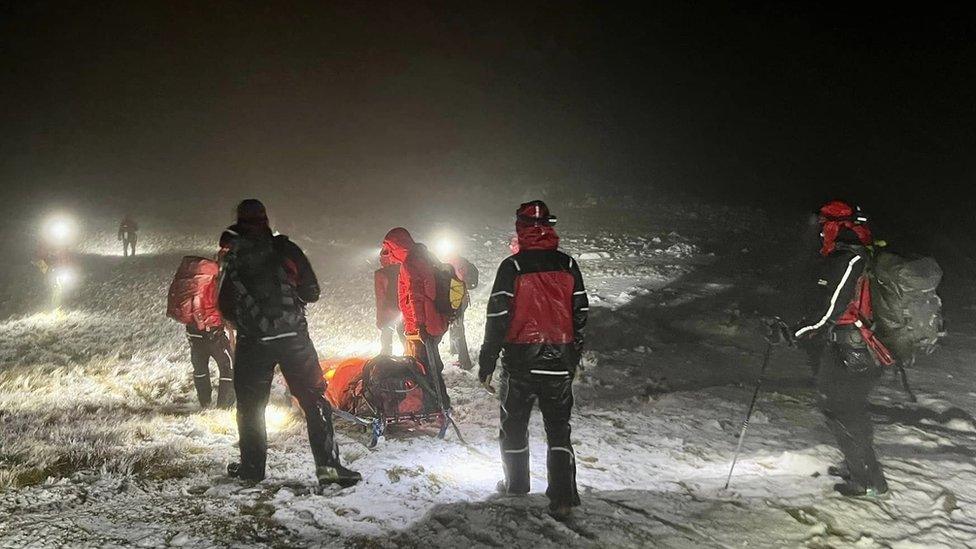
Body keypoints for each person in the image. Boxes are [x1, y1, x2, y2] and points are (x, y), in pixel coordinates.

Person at [218, 199, 361, 487]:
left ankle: (252, 469)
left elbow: (224, 306)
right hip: (293, 338)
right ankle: (329, 469)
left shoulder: (231, 255)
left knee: (250, 406)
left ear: (238, 220)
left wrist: (249, 320)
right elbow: (312, 291)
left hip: (253, 342)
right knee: (314, 400)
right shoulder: (286, 249)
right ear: (265, 219)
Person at [478, 200, 588, 521]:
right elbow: (580, 313)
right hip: (559, 362)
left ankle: (516, 484)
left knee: (513, 426)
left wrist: (487, 363)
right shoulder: (568, 265)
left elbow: (497, 317)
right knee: (558, 429)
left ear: (520, 227)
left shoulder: (512, 268)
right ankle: (563, 496)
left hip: (521, 362)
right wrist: (573, 354)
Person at [788, 200, 889, 499]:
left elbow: (830, 309)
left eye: (822, 226)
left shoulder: (850, 258)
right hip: (847, 346)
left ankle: (868, 481)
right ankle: (856, 466)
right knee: (842, 407)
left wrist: (797, 332)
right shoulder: (854, 254)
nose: (819, 232)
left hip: (855, 350)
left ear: (834, 226)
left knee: (843, 410)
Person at [381, 227, 452, 414]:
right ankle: (441, 402)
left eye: (391, 248)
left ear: (398, 246)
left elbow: (415, 296)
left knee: (423, 366)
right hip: (434, 320)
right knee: (432, 363)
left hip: (422, 324)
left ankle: (435, 405)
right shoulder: (424, 257)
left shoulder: (410, 264)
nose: (390, 253)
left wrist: (419, 325)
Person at [444, 251, 479, 370]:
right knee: (455, 326)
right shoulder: (459, 261)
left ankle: (464, 361)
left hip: (456, 301)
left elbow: (458, 280)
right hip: (458, 299)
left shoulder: (456, 263)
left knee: (457, 328)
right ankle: (454, 350)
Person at [187, 323, 235, 409]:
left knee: (200, 368)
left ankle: (204, 403)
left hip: (194, 333)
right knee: (228, 366)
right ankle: (224, 406)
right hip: (214, 334)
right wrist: (230, 330)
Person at [374, 245, 405, 356]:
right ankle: (413, 361)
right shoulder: (403, 269)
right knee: (405, 339)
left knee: (386, 340)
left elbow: (380, 298)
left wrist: (380, 319)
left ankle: (386, 362)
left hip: (388, 311)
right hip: (403, 309)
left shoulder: (380, 274)